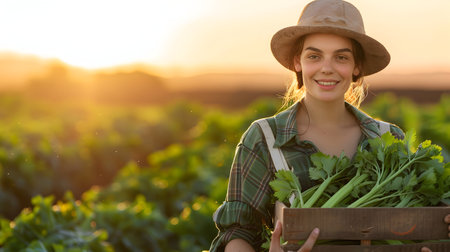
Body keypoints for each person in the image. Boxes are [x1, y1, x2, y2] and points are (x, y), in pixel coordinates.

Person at [209, 0, 450, 251]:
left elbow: (412, 222)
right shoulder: (265, 138)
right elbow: (238, 232)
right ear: (297, 62)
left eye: (341, 57)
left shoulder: (388, 137)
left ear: (356, 66)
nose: (327, 68)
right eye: (314, 56)